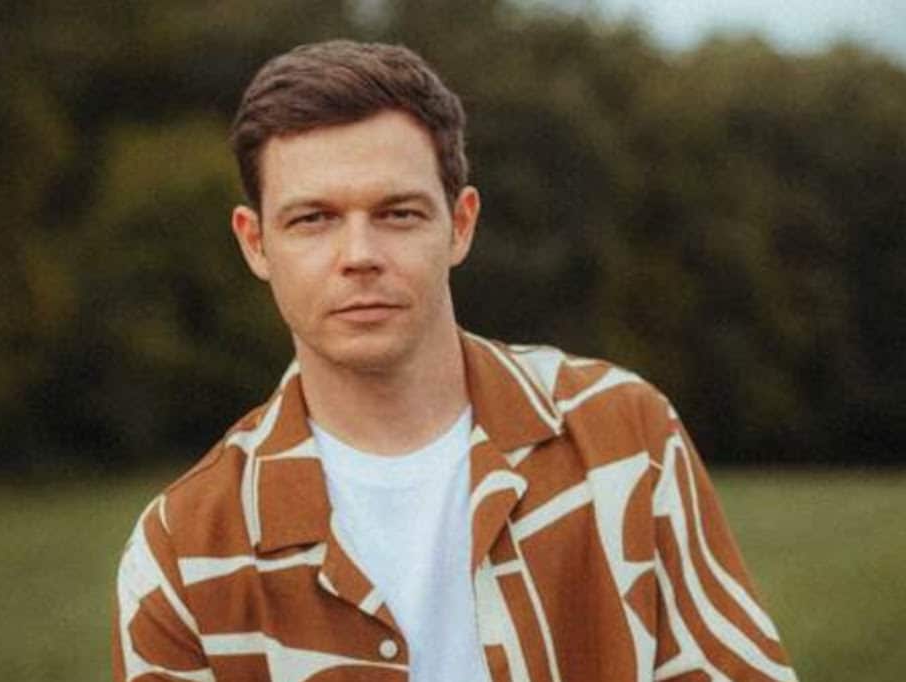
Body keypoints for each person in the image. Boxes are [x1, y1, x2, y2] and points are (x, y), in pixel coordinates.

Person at [113, 40, 797, 682]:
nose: (360, 255)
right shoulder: (182, 552)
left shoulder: (625, 439)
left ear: (460, 224)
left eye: (398, 213)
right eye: (313, 219)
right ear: (256, 243)